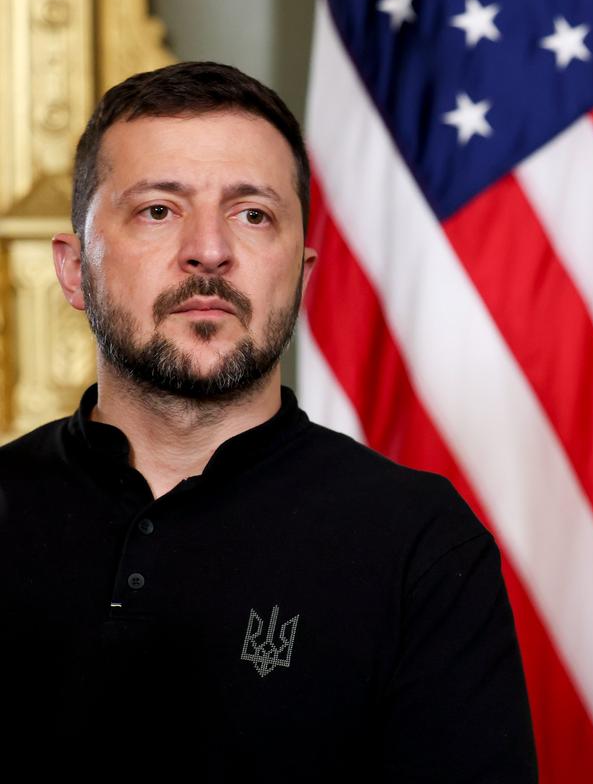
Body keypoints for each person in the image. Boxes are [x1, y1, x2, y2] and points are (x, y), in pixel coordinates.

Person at [0, 61, 537, 781]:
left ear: (303, 274)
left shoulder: (421, 546)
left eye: (253, 214)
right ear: (74, 272)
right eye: (158, 209)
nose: (210, 250)